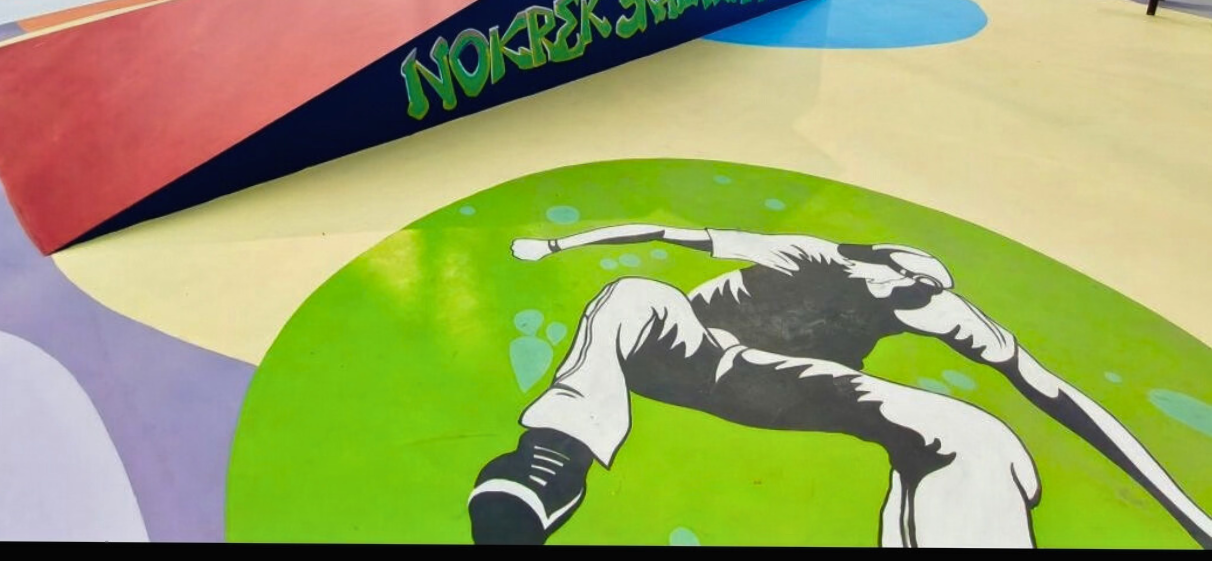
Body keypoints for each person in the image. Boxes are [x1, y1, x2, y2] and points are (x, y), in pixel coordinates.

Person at [468, 222, 1212, 547]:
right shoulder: (809, 255)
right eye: (907, 286)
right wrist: (559, 246)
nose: (916, 302)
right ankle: (551, 468)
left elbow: (1050, 391)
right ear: (874, 263)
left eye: (923, 295)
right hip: (685, 351)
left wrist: (1185, 512)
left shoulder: (933, 306)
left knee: (974, 433)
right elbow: (665, 235)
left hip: (780, 382)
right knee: (635, 295)